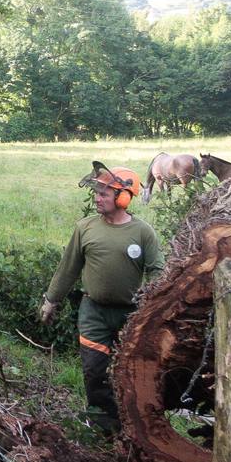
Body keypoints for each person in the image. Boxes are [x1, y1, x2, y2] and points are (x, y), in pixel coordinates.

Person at [40, 161, 165, 434]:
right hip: (93, 311)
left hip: (131, 315)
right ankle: (102, 427)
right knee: (95, 370)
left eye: (104, 194)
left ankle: (135, 426)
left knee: (131, 372)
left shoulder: (143, 232)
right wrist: (51, 300)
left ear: (123, 197)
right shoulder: (85, 228)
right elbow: (68, 268)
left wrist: (153, 309)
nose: (97, 198)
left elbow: (157, 270)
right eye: (96, 193)